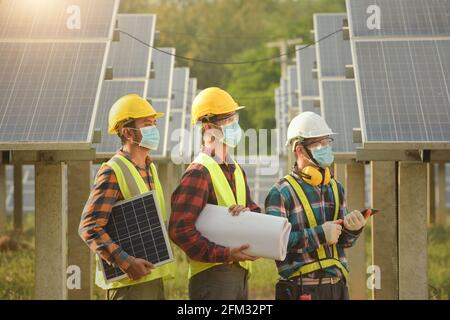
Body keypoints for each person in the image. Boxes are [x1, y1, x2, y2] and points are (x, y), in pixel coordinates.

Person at [79, 94, 174, 300]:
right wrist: (126, 262)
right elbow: (89, 227)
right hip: (128, 284)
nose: (154, 129)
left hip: (153, 277)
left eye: (154, 123)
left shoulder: (150, 168)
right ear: (128, 132)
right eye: (147, 124)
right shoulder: (113, 170)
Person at [169, 87, 260, 300]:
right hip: (212, 276)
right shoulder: (199, 172)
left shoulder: (236, 169)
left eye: (234, 118)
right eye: (228, 120)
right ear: (209, 127)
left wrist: (248, 214)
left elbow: (253, 208)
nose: (235, 125)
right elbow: (179, 229)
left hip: (240, 273)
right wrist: (225, 254)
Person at [265, 111, 366, 300]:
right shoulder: (281, 192)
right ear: (299, 149)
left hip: (338, 287)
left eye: (327, 142)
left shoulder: (336, 188)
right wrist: (319, 235)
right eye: (318, 144)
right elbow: (274, 243)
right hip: (303, 289)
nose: (324, 148)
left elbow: (343, 242)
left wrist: (352, 230)